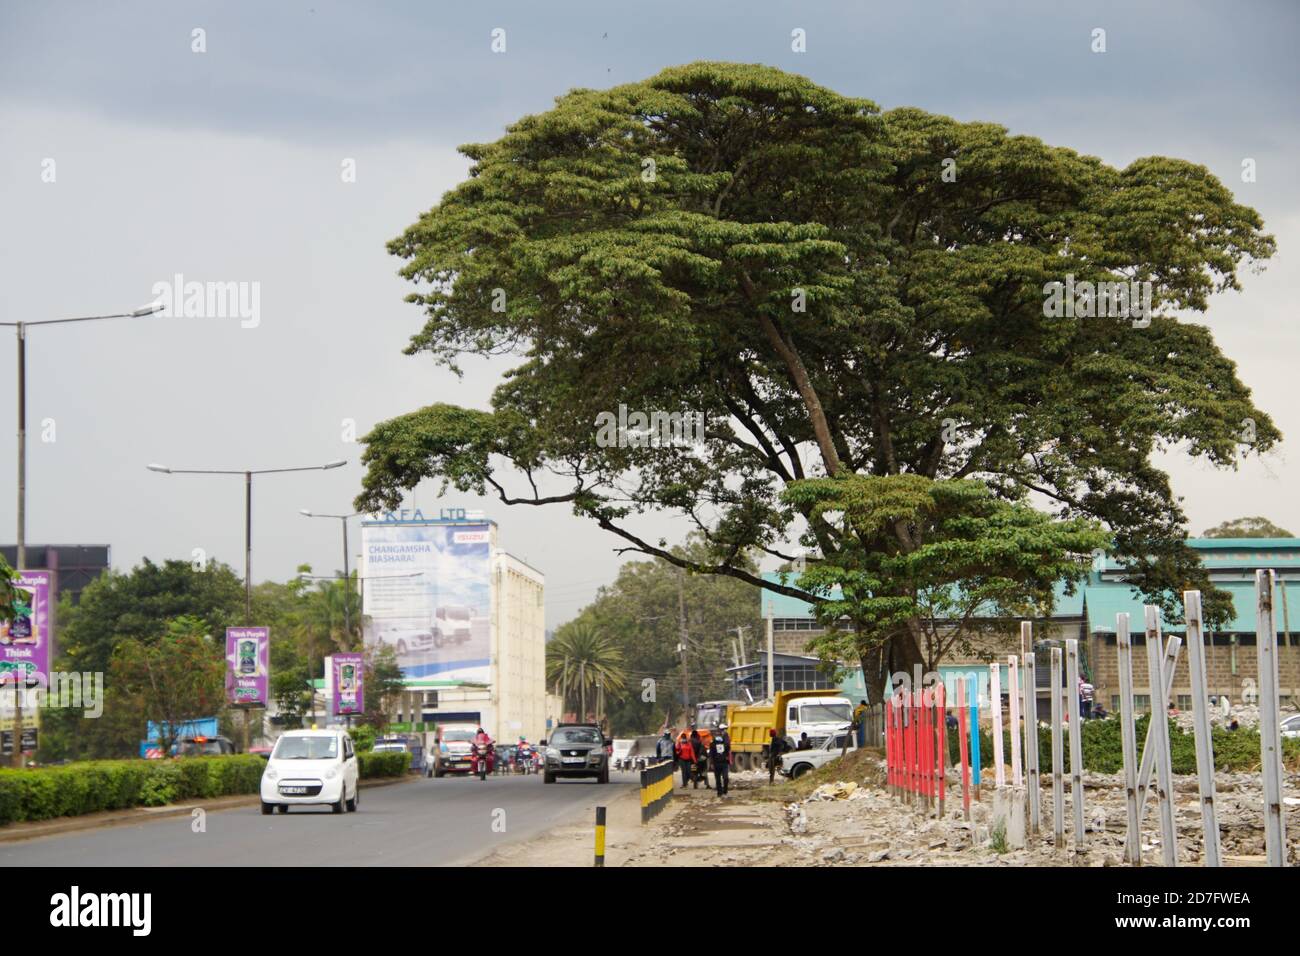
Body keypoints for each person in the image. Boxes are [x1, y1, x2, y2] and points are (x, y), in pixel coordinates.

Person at [709, 723, 732, 797]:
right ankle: (719, 792)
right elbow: (711, 754)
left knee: (726, 778)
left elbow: (728, 747)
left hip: (724, 762)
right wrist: (712, 763)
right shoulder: (713, 743)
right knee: (718, 779)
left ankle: (725, 791)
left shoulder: (726, 739)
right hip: (716, 763)